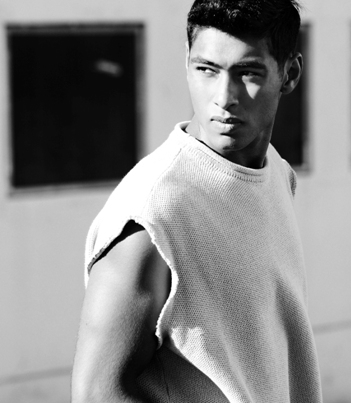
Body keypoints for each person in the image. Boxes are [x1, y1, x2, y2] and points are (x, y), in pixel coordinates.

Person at [71, 0, 322, 401]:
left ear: (289, 74)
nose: (224, 97)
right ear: (187, 62)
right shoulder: (151, 215)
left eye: (248, 73)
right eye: (207, 69)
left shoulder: (276, 173)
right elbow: (97, 394)